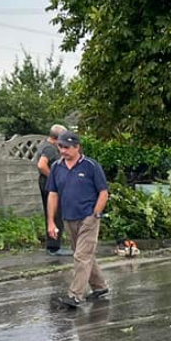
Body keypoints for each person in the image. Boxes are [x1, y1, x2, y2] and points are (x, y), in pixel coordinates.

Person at [45, 131, 110, 308]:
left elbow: (104, 193)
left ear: (77, 147)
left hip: (88, 217)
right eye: (60, 147)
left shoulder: (90, 166)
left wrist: (96, 213)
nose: (63, 150)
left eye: (66, 147)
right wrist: (51, 221)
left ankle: (75, 296)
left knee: (81, 256)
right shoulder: (57, 167)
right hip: (68, 218)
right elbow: (52, 194)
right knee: (85, 256)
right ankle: (100, 287)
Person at [36, 124, 72, 256]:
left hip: (47, 184)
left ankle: (54, 245)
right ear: (58, 138)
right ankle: (53, 247)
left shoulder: (46, 145)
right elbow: (41, 165)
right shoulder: (49, 149)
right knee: (55, 214)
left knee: (54, 214)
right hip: (50, 186)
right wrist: (54, 178)